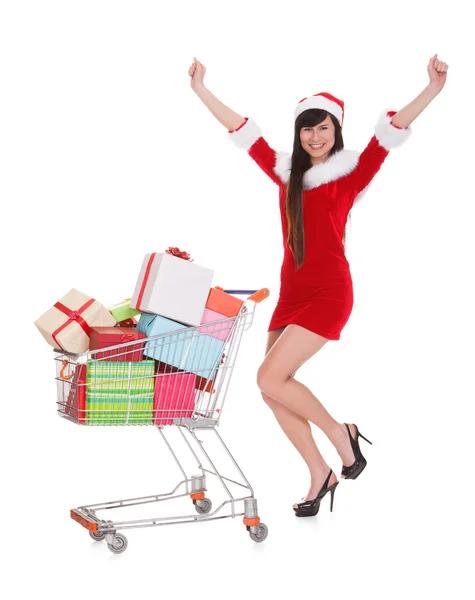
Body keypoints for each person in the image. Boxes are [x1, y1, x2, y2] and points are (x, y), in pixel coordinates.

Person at [189, 54, 448, 517]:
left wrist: (430, 89)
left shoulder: (352, 173)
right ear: (299, 133)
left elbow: (388, 135)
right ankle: (319, 473)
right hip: (291, 293)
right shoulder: (286, 173)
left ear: (336, 131)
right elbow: (244, 133)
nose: (314, 136)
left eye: (323, 127)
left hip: (330, 292)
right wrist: (201, 90)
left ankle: (339, 433)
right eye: (307, 128)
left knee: (268, 376)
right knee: (272, 389)